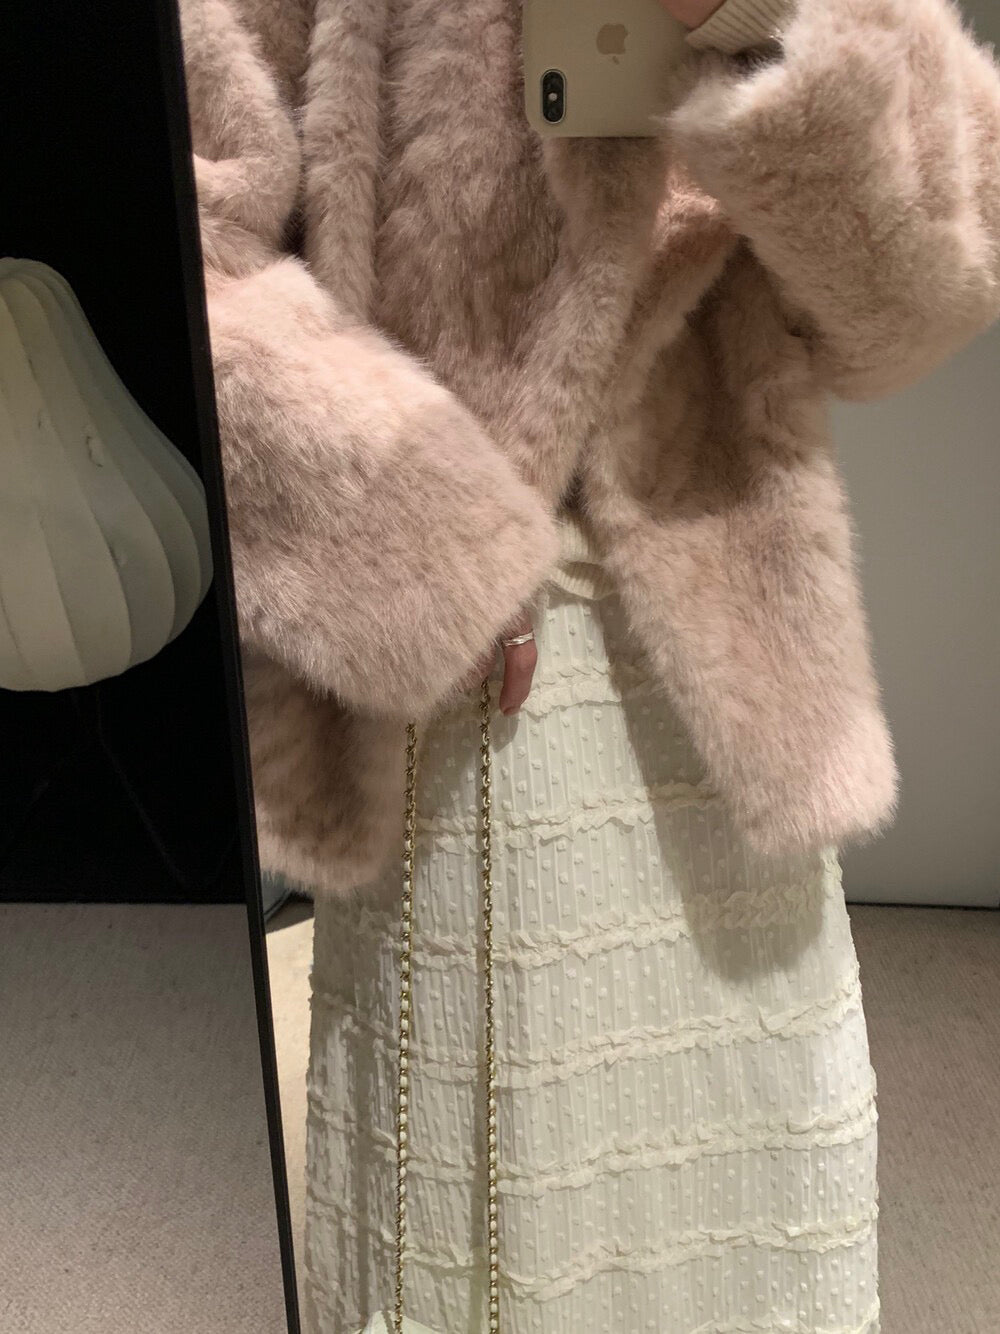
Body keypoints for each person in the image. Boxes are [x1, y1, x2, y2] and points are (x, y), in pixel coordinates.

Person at [179, 0, 1000, 1328]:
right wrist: (429, 548)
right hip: (466, 708)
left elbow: (925, 297)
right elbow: (194, 264)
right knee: (487, 1242)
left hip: (737, 678)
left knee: (747, 1212)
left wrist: (762, 26)